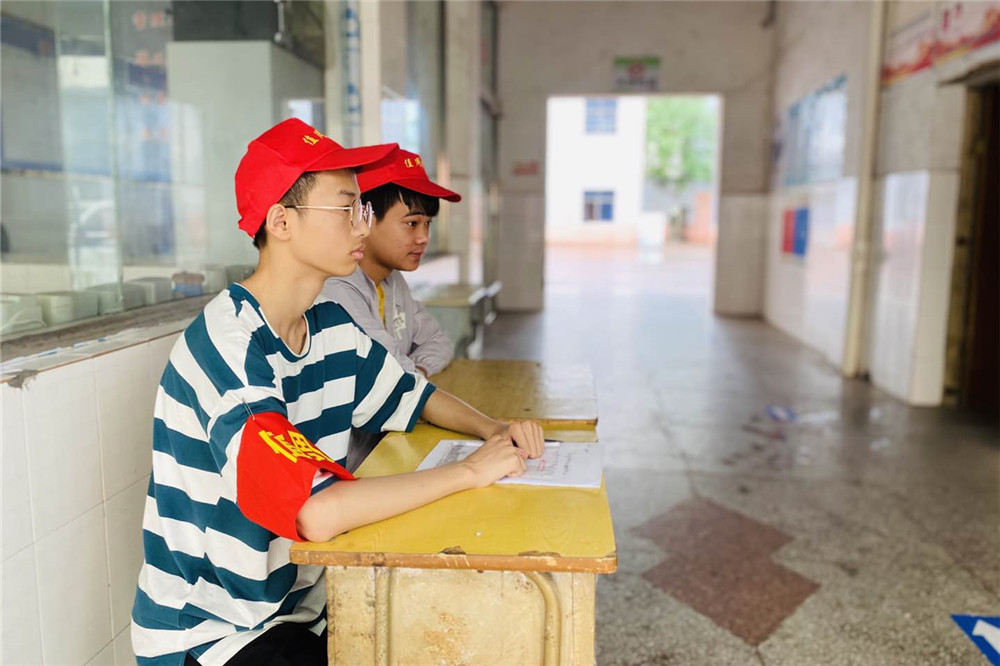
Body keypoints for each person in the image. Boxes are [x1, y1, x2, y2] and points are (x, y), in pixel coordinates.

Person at [131, 118, 544, 666]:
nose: (361, 226)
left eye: (363, 209)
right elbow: (316, 514)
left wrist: (494, 430)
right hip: (215, 632)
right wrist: (470, 471)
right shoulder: (229, 344)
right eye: (347, 208)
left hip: (298, 607)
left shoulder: (327, 323)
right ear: (282, 221)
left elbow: (413, 395)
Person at [321, 147, 460, 469]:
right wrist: (407, 378)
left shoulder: (393, 282)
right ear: (365, 218)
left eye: (427, 224)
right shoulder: (336, 288)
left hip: (389, 445)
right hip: (349, 468)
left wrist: (416, 373)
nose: (424, 237)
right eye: (411, 224)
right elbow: (393, 373)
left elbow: (437, 341)